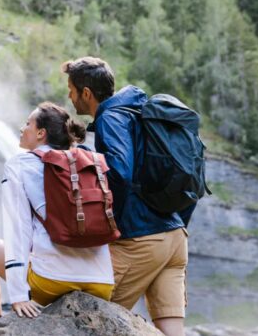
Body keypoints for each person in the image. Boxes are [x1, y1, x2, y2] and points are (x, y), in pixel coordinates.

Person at [61, 56, 195, 336]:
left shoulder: (110, 118)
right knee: (172, 331)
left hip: (140, 239)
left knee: (89, 320)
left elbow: (120, 173)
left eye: (72, 90)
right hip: (174, 238)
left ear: (87, 93)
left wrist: (111, 227)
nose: (70, 97)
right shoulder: (136, 112)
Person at [0, 102, 114, 326]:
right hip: (101, 282)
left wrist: (19, 295)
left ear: (41, 133)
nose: (22, 128)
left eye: (28, 123)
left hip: (51, 281)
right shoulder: (88, 160)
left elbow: (19, 228)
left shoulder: (20, 164)